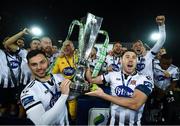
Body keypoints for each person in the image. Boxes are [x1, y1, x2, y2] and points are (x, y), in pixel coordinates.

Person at [86, 49, 153, 126]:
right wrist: (86, 66)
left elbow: (135, 104)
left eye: (134, 57)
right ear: (121, 60)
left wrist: (102, 95)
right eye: (127, 57)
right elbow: (91, 80)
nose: (131, 60)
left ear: (137, 61)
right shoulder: (112, 75)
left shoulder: (145, 79)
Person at [20, 49, 71, 125]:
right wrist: (63, 96)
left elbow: (69, 97)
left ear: (47, 60)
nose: (39, 67)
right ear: (29, 66)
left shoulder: (59, 77)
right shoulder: (28, 92)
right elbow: (40, 123)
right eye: (34, 64)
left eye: (42, 62)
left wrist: (80, 89)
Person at [132, 15, 166, 81]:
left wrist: (161, 26)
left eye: (140, 45)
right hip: (133, 85)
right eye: (136, 46)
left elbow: (161, 41)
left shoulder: (149, 55)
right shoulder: (129, 57)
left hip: (147, 86)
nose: (138, 47)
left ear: (143, 47)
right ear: (132, 48)